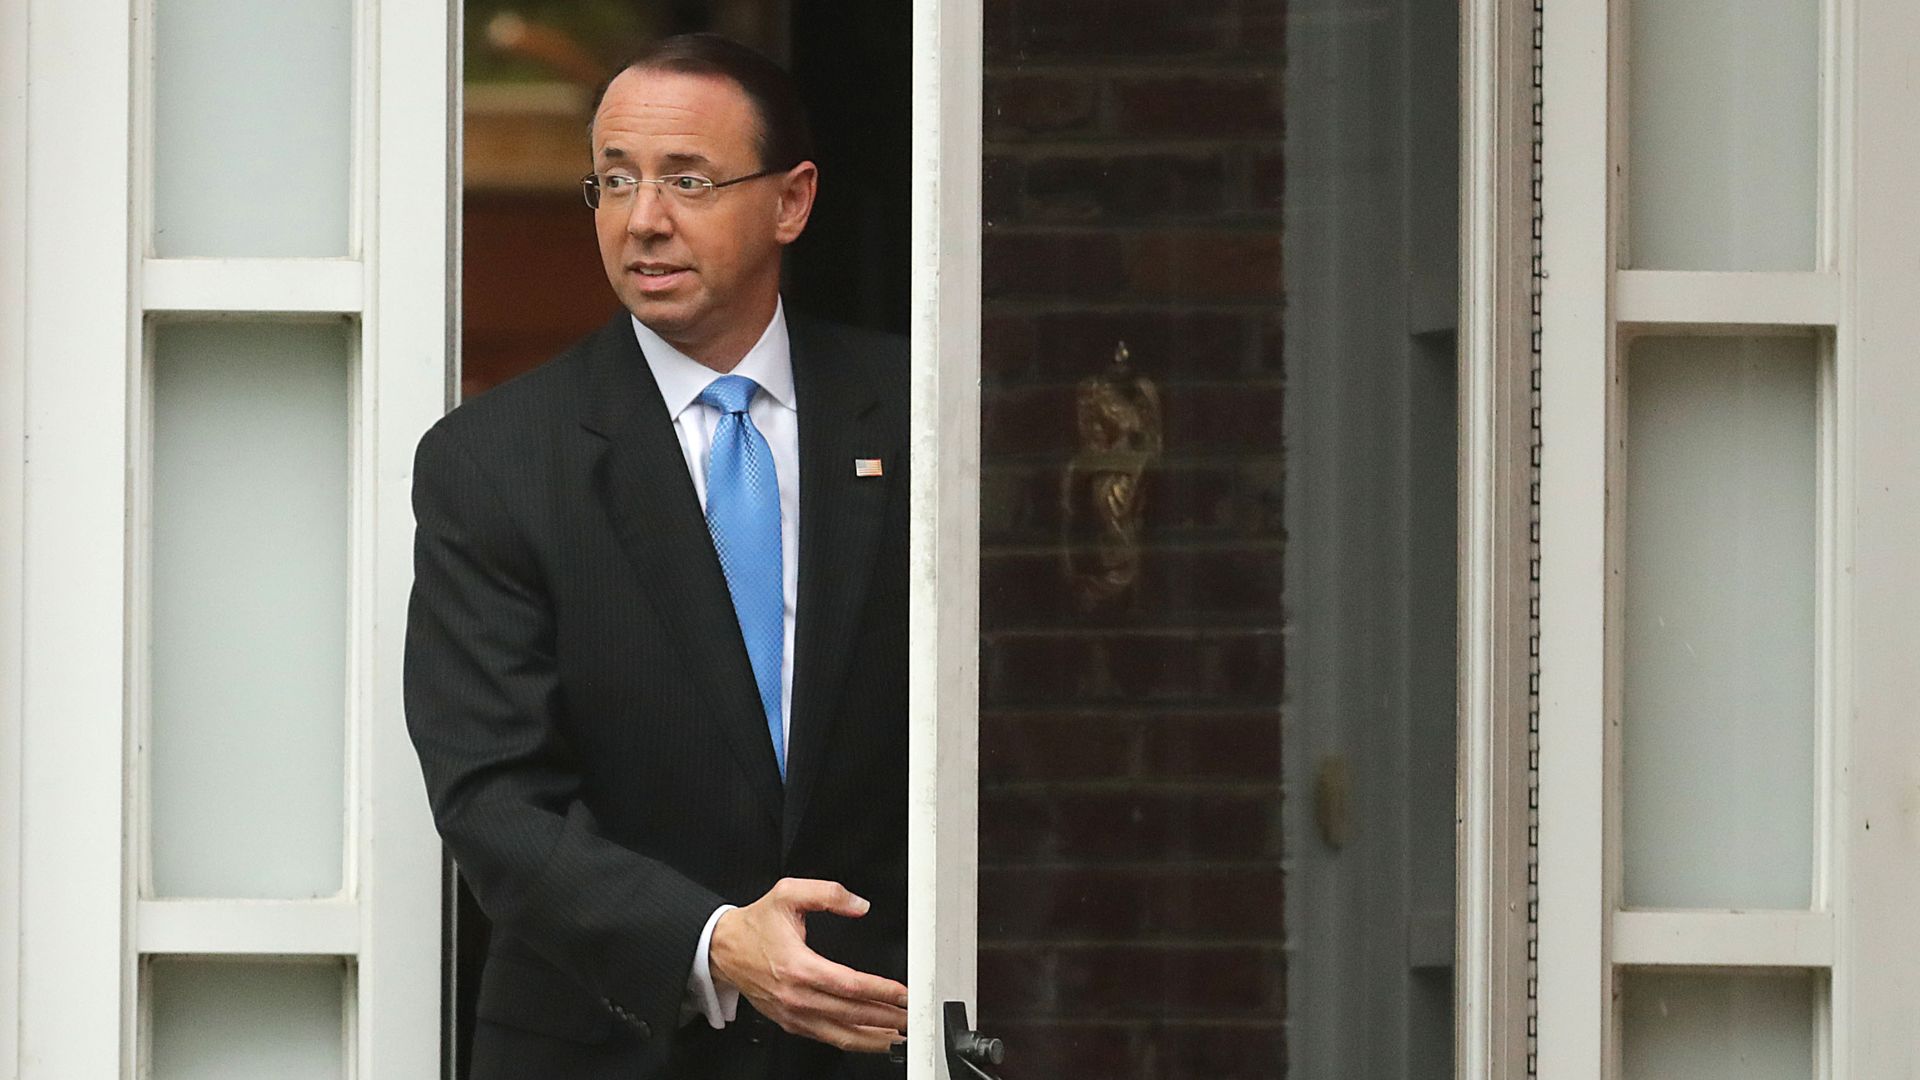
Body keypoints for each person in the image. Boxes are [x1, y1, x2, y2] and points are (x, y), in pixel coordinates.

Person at [404, 33, 909, 1080]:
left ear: (792, 201)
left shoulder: (920, 417)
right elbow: (494, 798)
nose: (643, 220)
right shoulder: (497, 462)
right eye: (616, 181)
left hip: (879, 1030)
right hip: (611, 1044)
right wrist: (717, 942)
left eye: (687, 180)